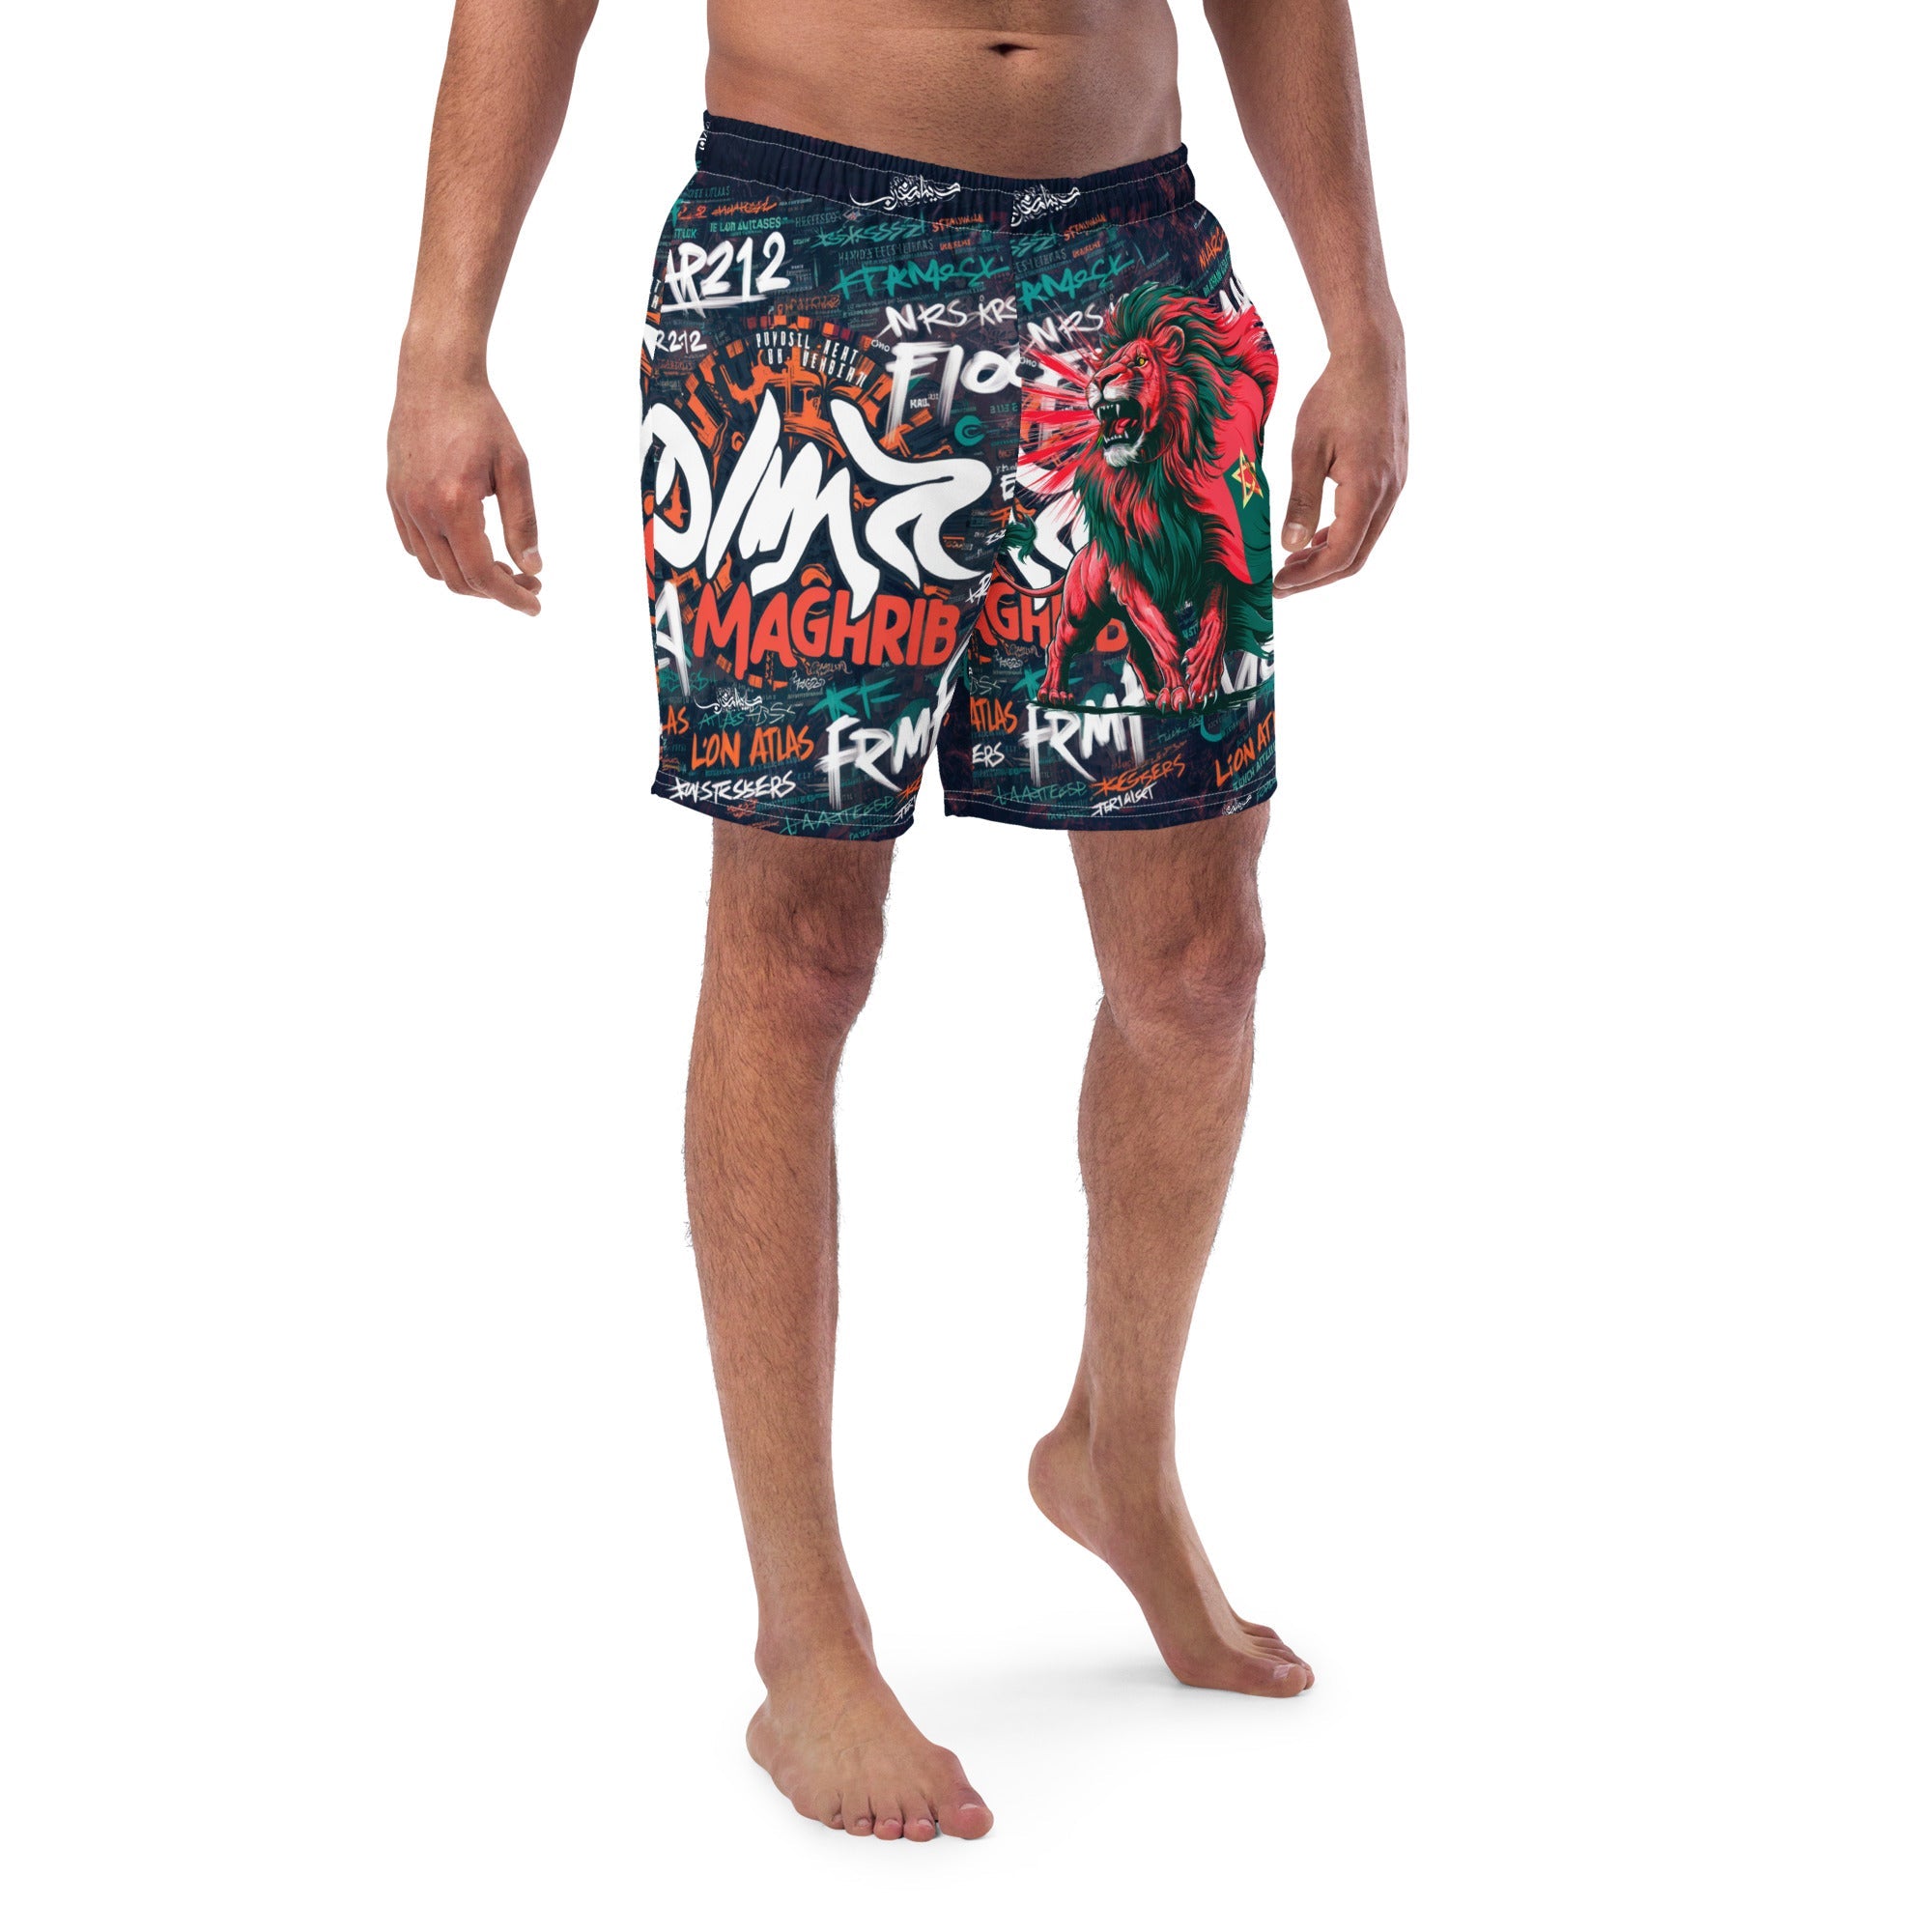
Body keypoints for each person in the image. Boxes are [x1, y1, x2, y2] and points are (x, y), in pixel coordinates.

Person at [387, 0, 1406, 1842]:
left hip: (1134, 269)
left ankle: (1116, 1453)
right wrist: (443, 341)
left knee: (1197, 969)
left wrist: (1365, 314)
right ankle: (808, 1643)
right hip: (804, 265)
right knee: (798, 959)